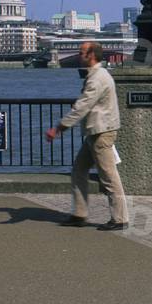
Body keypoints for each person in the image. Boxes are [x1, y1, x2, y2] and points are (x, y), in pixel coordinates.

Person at [46, 42, 127, 230]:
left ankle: (120, 218)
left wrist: (59, 128)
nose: (79, 55)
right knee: (79, 170)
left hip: (101, 133)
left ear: (91, 55)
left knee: (108, 176)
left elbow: (82, 106)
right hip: (96, 132)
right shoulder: (99, 75)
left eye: (82, 52)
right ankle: (79, 214)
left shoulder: (97, 78)